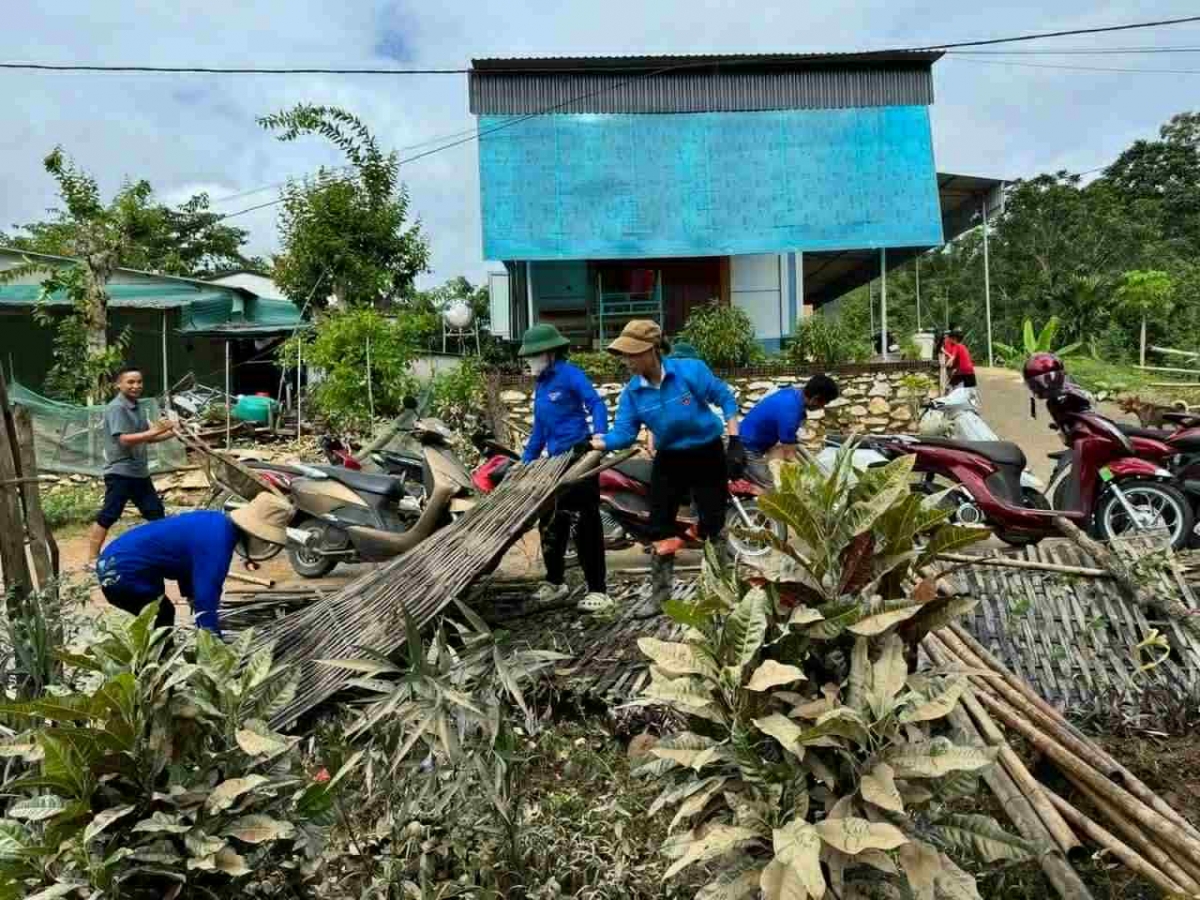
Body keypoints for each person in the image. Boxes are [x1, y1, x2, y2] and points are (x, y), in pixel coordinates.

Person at [591, 320, 739, 612]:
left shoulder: (690, 371)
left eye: (633, 354)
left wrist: (735, 440)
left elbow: (724, 397)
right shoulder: (632, 393)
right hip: (669, 458)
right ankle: (660, 598)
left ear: (653, 349)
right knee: (658, 527)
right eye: (624, 355)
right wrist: (597, 443)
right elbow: (624, 433)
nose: (627, 361)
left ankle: (722, 591)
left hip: (707, 452)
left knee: (713, 523)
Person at [96, 492, 292, 635]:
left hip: (112, 561)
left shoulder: (215, 522)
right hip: (120, 571)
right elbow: (207, 598)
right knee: (162, 615)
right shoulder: (218, 543)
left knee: (160, 617)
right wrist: (212, 645)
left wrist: (190, 596)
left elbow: (185, 562)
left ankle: (157, 662)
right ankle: (156, 669)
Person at [518, 324, 613, 613]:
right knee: (551, 525)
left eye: (534, 355)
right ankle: (555, 582)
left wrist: (599, 438)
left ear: (549, 353)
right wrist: (525, 463)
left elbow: (596, 404)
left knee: (585, 525)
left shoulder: (570, 374)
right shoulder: (542, 385)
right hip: (555, 464)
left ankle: (598, 590)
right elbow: (540, 429)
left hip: (580, 459)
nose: (530, 361)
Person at [87, 366, 176, 565]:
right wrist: (155, 430)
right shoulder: (116, 408)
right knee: (109, 514)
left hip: (139, 472)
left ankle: (166, 551)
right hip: (120, 472)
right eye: (130, 382)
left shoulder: (137, 406)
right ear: (118, 385)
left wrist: (172, 432)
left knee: (156, 513)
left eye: (139, 382)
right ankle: (92, 558)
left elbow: (147, 438)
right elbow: (124, 440)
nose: (136, 386)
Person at [737, 375, 840, 487]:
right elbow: (789, 455)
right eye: (824, 403)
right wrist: (810, 475)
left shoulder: (791, 393)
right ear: (815, 398)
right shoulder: (791, 413)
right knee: (773, 488)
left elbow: (789, 440)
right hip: (746, 449)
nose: (823, 407)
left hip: (745, 438)